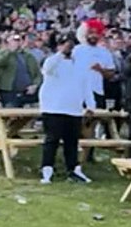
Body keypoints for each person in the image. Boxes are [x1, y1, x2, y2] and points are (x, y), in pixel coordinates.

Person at [38, 34, 95, 185]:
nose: (69, 48)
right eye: (64, 44)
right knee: (52, 141)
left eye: (71, 45)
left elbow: (86, 86)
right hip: (53, 108)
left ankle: (74, 170)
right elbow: (47, 69)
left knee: (72, 142)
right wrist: (61, 53)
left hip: (74, 109)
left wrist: (90, 106)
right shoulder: (52, 61)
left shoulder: (80, 65)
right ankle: (47, 170)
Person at [0, 34, 41, 108]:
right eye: (14, 40)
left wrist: (35, 85)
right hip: (9, 92)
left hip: (27, 92)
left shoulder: (28, 55)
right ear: (8, 42)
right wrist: (10, 51)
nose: (17, 42)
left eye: (19, 40)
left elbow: (37, 74)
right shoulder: (2, 53)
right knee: (11, 115)